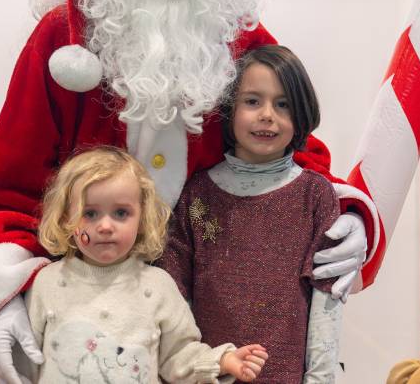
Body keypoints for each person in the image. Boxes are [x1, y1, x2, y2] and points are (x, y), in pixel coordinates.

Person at [0, 0, 381, 384]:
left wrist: (348, 216)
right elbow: (7, 187)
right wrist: (10, 296)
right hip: (87, 302)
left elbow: (291, 149)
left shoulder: (231, 34)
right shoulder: (62, 44)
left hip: (211, 310)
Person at [160, 45, 344, 383]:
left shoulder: (315, 195)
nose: (267, 115)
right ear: (230, 110)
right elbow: (173, 296)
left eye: (283, 103)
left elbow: (326, 301)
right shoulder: (198, 193)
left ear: (301, 112)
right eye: (253, 101)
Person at [25, 146, 269, 383]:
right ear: (67, 218)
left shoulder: (157, 285)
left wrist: (222, 361)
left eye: (121, 213)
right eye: (89, 214)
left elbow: (178, 355)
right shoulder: (46, 283)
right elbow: (20, 366)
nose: (106, 226)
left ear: (142, 218)